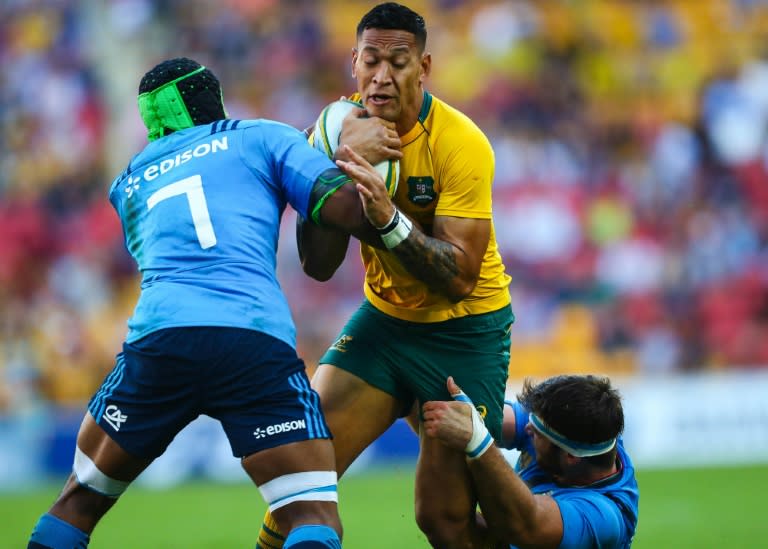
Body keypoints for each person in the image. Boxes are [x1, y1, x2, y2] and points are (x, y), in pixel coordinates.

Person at [26, 56, 399, 549]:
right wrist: (337, 150)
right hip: (249, 338)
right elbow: (347, 212)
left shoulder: (129, 183)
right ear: (213, 98)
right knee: (311, 516)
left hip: (158, 343)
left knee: (79, 500)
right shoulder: (262, 135)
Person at [257, 3, 514, 548]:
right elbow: (318, 266)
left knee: (442, 519)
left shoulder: (461, 144)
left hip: (465, 331)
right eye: (371, 60)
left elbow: (461, 277)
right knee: (299, 477)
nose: (382, 76)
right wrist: (330, 170)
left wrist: (388, 220)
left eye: (398, 62)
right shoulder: (333, 131)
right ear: (353, 62)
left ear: (424, 67)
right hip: (385, 325)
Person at [422, 375, 640, 549]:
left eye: (537, 434)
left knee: (448, 524)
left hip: (526, 528)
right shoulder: (574, 429)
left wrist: (479, 441)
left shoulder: (602, 518)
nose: (528, 429)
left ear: (571, 457)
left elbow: (525, 525)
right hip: (517, 528)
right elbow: (488, 419)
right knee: (444, 520)